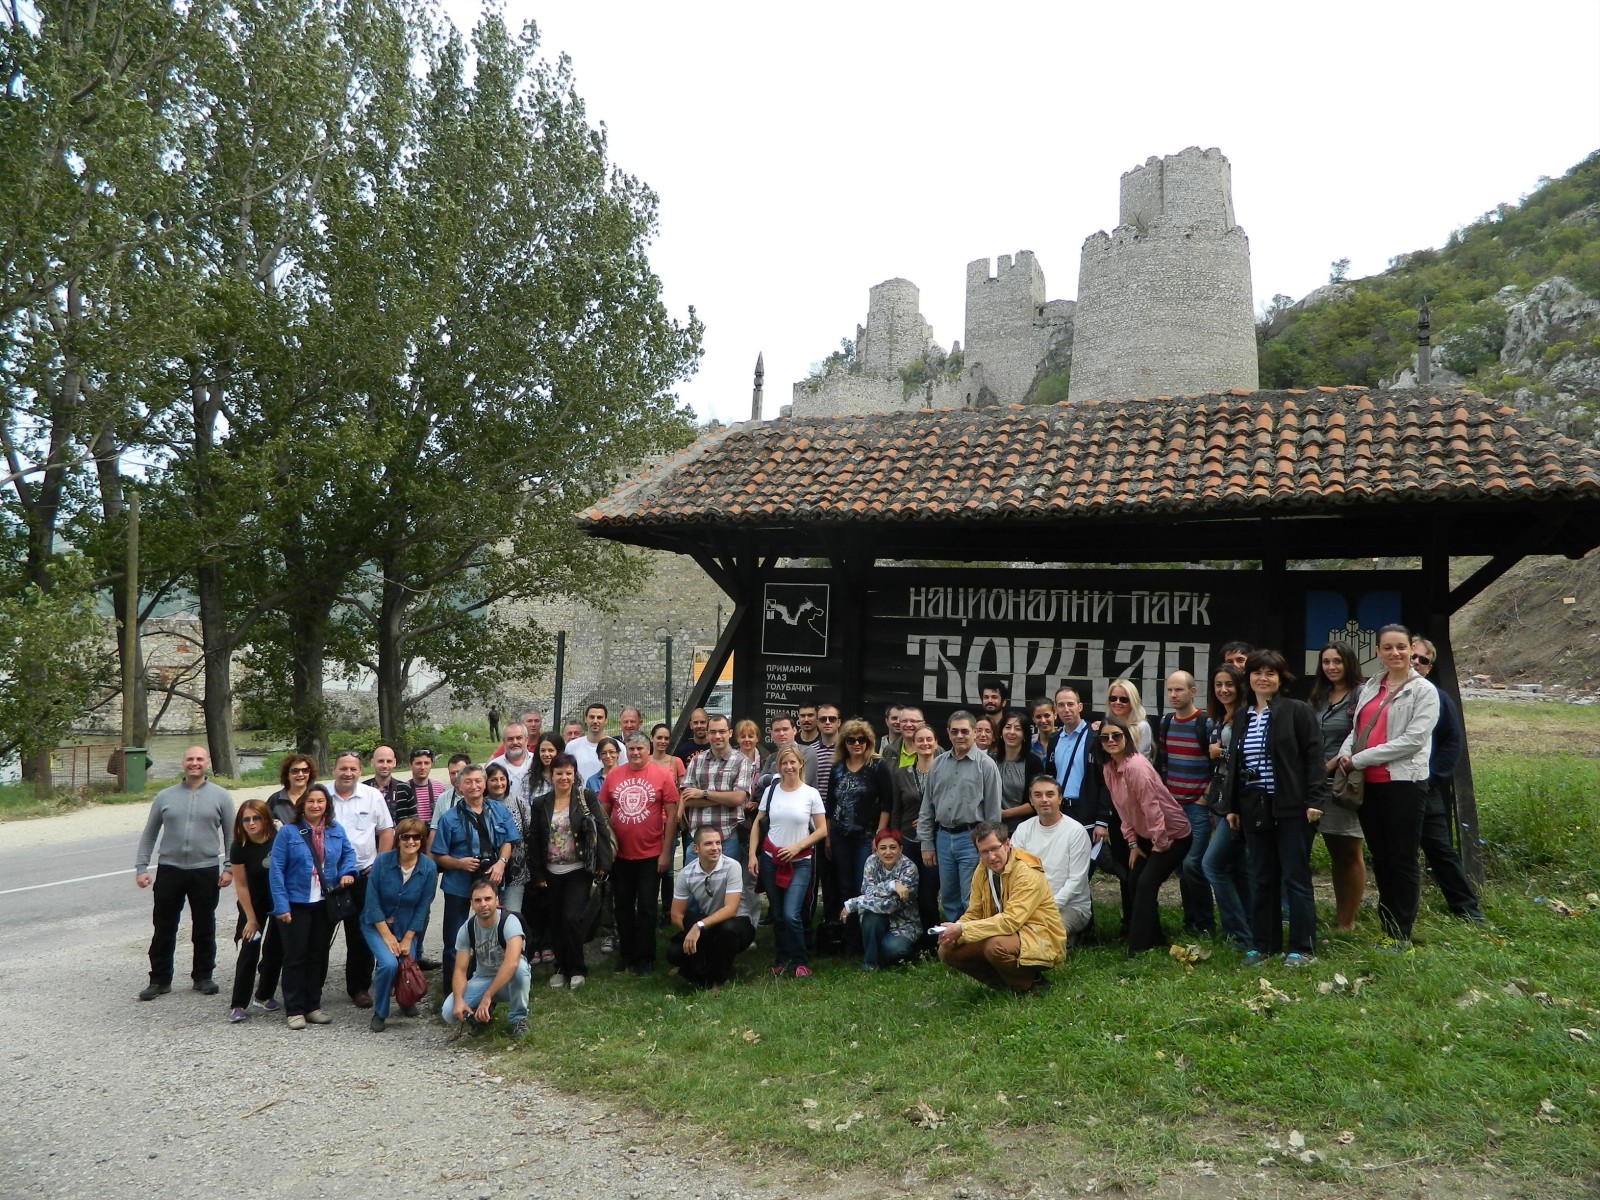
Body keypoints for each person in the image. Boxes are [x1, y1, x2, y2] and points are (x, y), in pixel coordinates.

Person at [1221, 649, 1328, 967]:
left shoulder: (1297, 710)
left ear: (1281, 679)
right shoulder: (1242, 715)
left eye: (1270, 673)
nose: (1263, 678)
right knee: (1262, 877)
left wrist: (1315, 800)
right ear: (1249, 678)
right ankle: (1263, 945)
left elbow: (1314, 757)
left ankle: (1302, 948)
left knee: (1295, 877)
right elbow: (1235, 763)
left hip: (1292, 806)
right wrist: (1232, 805)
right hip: (1254, 807)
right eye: (1257, 672)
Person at [1339, 624, 1440, 947]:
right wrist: (1346, 754)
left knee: (1402, 857)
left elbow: (1412, 741)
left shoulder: (1424, 691)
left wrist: (1361, 758)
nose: (1395, 653)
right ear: (1378, 652)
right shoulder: (1371, 687)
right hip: (1370, 785)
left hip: (1404, 784)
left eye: (1401, 647)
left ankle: (1402, 933)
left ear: (1412, 649)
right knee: (1381, 857)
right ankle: (1387, 926)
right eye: (1387, 648)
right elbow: (1356, 729)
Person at [134, 745, 235, 1000]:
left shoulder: (221, 796)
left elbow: (232, 835)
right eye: (190, 759)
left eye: (199, 759)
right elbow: (149, 834)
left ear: (207, 763)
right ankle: (159, 979)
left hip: (205, 871)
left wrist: (229, 867)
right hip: (170, 870)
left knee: (204, 925)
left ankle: (203, 976)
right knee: (164, 927)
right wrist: (141, 867)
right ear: (183, 763)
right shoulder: (165, 796)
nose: (194, 763)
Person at [936, 821, 1066, 993]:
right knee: (947, 951)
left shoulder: (1026, 871)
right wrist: (954, 933)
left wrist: (962, 928)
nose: (991, 857)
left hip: (1040, 937)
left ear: (1007, 844)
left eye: (995, 848)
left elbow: (1010, 922)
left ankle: (1032, 985)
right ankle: (1004, 986)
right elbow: (974, 913)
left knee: (995, 946)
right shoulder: (982, 870)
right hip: (1002, 933)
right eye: (984, 852)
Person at [1100, 715, 1192, 955]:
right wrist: (1132, 844)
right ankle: (1154, 937)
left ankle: (1137, 947)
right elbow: (1122, 810)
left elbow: (1152, 807)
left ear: (1126, 738)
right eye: (1105, 737)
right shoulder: (1109, 768)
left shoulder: (1135, 766)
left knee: (1145, 883)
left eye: (1116, 735)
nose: (1111, 740)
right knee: (1134, 880)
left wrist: (1160, 844)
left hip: (1173, 835)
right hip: (1147, 837)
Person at [268, 784, 357, 1029]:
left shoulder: (335, 830)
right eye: (310, 801)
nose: (316, 805)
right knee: (296, 956)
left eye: (320, 801)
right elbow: (276, 870)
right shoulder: (288, 832)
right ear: (302, 805)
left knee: (318, 954)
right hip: (296, 902)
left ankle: (313, 1005)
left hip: (324, 902)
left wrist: (348, 873)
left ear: (327, 804)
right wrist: (281, 905)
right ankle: (295, 1009)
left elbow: (349, 855)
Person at [1411, 638, 1485, 922]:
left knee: (1439, 849)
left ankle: (1467, 908)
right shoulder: (1382, 693)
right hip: (1389, 786)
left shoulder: (1439, 699)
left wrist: (1433, 778)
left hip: (1424, 786)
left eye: (1423, 660)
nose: (1416, 663)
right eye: (1413, 656)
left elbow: (1452, 742)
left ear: (1430, 668)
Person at [530, 753, 614, 989]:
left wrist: (603, 865)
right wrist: (537, 874)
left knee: (571, 918)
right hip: (551, 872)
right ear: (551, 775)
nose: (564, 777)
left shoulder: (585, 797)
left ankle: (577, 968)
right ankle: (560, 967)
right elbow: (534, 840)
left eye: (568, 773)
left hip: (579, 869)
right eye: (559, 773)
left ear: (575, 774)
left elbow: (602, 831)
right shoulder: (540, 803)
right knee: (555, 921)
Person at [598, 734, 680, 976]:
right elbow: (603, 812)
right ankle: (626, 955)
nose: (635, 753)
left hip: (651, 854)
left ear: (648, 749)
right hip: (621, 856)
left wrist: (666, 853)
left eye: (640, 748)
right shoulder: (614, 775)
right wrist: (606, 847)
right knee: (622, 907)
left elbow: (672, 816)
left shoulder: (662, 775)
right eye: (631, 748)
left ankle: (645, 958)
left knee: (646, 908)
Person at [430, 765, 518, 984]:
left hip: (491, 882)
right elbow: (439, 855)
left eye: (478, 781)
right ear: (459, 786)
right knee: (453, 941)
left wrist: (501, 863)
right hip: (458, 885)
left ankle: (495, 983)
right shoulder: (449, 819)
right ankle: (452, 992)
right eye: (468, 782)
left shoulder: (499, 810)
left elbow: (509, 840)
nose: (474, 786)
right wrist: (459, 863)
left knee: (494, 935)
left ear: (485, 783)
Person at [749, 745, 827, 978]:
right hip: (770, 859)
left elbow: (822, 830)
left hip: (800, 861)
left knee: (793, 913)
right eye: (784, 763)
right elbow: (758, 823)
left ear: (801, 764)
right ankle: (782, 958)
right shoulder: (772, 791)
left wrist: (798, 846)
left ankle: (801, 960)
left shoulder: (810, 793)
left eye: (793, 762)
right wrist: (752, 854)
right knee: (779, 914)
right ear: (779, 767)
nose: (789, 767)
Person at [916, 710, 1003, 921]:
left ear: (974, 732)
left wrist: (989, 846)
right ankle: (954, 945)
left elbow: (993, 813)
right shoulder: (938, 764)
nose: (959, 736)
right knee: (949, 897)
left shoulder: (986, 766)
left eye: (965, 731)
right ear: (948, 732)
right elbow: (927, 807)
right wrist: (926, 843)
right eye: (954, 731)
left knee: (971, 896)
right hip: (943, 838)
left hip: (972, 838)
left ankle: (973, 944)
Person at [326, 750, 394, 1008]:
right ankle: (312, 988)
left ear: (360, 771)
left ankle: (359, 988)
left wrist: (379, 864)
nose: (348, 773)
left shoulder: (372, 796)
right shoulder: (321, 795)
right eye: (343, 768)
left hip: (363, 874)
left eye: (353, 769)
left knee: (360, 935)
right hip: (328, 878)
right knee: (322, 934)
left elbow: (386, 830)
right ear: (334, 769)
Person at [1308, 643, 1368, 931]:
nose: (1331, 667)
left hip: (1342, 782)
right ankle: (1338, 915)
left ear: (1349, 663)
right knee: (1334, 850)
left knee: (1348, 851)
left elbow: (1361, 736)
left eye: (1337, 662)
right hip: (1314, 785)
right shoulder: (1319, 697)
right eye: (1326, 662)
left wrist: (1329, 766)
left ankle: (1347, 922)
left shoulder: (1361, 694)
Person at [360, 817, 438, 1031]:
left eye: (416, 837)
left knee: (408, 963)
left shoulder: (429, 867)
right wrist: (387, 937)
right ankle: (381, 1012)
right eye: (405, 836)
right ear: (398, 839)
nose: (410, 841)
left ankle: (406, 1001)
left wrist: (408, 938)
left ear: (422, 841)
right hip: (377, 925)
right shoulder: (382, 862)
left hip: (406, 927)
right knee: (389, 964)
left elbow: (423, 906)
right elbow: (372, 901)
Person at [1155, 671, 1215, 937]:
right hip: (1174, 807)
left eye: (1179, 690)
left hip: (1197, 807)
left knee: (1194, 864)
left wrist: (1205, 798)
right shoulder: (1166, 722)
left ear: (1193, 692)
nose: (1173, 695)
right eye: (1170, 690)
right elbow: (1164, 764)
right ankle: (1190, 921)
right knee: (1181, 866)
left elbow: (1218, 767)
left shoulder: (1206, 723)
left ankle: (1205, 923)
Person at [828, 718, 896, 951]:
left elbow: (888, 804)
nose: (857, 744)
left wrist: (879, 837)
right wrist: (828, 836)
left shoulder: (877, 766)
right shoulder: (837, 767)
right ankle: (850, 940)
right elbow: (829, 804)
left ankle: (866, 942)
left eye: (862, 740)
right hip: (839, 836)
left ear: (869, 742)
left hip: (866, 837)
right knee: (844, 886)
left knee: (863, 887)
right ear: (844, 743)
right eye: (851, 740)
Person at [1199, 664, 1252, 948]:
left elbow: (1250, 756)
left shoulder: (1246, 716)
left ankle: (1238, 934)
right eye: (1218, 684)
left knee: (1213, 865)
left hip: (1239, 800)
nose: (1223, 690)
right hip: (1219, 799)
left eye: (1229, 684)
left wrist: (1223, 752)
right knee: (1235, 868)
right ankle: (1250, 929)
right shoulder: (1219, 717)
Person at [667, 826, 757, 988]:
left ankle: (719, 979)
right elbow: (676, 915)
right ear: (696, 848)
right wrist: (695, 932)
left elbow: (731, 909)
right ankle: (702, 974)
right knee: (674, 952)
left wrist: (699, 927)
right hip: (708, 925)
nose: (715, 848)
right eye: (708, 844)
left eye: (718, 843)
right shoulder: (686, 874)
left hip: (737, 924)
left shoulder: (732, 866)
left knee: (727, 930)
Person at [442, 880, 531, 1039]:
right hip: (483, 978)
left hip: (510, 981)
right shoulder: (467, 928)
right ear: (471, 904)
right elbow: (460, 970)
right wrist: (458, 1000)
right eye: (477, 900)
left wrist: (487, 996)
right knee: (449, 1012)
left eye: (488, 899)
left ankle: (519, 1018)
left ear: (497, 900)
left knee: (520, 969)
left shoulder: (509, 922)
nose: (483, 904)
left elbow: (511, 963)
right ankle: (481, 1015)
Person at [1010, 777, 1093, 942]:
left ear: (1060, 798)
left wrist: (1046, 907)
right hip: (1029, 905)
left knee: (1037, 937)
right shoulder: (1023, 829)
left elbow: (1076, 881)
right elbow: (1014, 871)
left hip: (1070, 907)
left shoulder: (1075, 832)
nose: (1044, 800)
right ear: (1031, 800)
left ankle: (1069, 937)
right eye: (1038, 795)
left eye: (1050, 794)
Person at [884, 723, 942, 950]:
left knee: (929, 895)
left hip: (935, 841)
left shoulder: (944, 771)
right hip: (907, 840)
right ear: (913, 744)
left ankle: (933, 941)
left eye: (929, 739)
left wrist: (930, 820)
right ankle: (910, 938)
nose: (925, 744)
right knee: (908, 893)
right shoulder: (902, 773)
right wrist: (895, 840)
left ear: (936, 743)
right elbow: (896, 810)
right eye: (920, 740)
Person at [226, 799, 281, 1021]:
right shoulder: (239, 845)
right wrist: (250, 918)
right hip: (252, 903)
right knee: (249, 948)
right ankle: (239, 1004)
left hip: (278, 901)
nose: (251, 823)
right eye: (246, 819)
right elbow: (241, 884)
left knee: (276, 949)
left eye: (256, 817)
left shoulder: (278, 839)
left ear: (265, 818)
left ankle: (264, 995)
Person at [681, 714, 756, 875]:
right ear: (707, 734)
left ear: (729, 733)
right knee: (693, 893)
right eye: (713, 732)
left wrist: (703, 793)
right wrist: (725, 798)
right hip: (698, 840)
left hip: (727, 837)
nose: (717, 736)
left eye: (722, 731)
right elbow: (686, 800)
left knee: (727, 891)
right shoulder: (696, 761)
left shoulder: (742, 761)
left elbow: (738, 798)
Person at [842, 828, 920, 969]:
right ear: (876, 849)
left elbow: (892, 904)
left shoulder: (910, 869)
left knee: (892, 950)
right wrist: (892, 885)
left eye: (893, 847)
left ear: (901, 849)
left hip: (903, 922)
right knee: (870, 916)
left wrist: (853, 903)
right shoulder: (871, 862)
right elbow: (868, 891)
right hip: (878, 917)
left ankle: (905, 951)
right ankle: (869, 965)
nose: (888, 852)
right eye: (882, 848)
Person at [487, 761, 539, 962]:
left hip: (516, 869)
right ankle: (494, 960)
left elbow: (528, 833)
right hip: (490, 870)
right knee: (491, 916)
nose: (499, 783)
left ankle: (516, 960)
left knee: (513, 915)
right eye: (493, 779)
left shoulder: (518, 802)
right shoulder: (481, 806)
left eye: (502, 779)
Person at [993, 711, 1045, 833]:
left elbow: (1036, 801)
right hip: (993, 830)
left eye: (1017, 729)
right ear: (1001, 732)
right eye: (1007, 727)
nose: (1012, 732)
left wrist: (1004, 814)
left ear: (1025, 735)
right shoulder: (991, 760)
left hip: (1023, 830)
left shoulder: (1033, 762)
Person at [364, 745, 416, 823]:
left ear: (394, 763)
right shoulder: (363, 789)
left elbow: (413, 822)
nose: (385, 765)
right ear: (372, 763)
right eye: (381, 761)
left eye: (389, 761)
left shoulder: (405, 790)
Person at [1105, 679, 1153, 759]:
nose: (1117, 702)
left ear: (1133, 702)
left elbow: (1132, 760)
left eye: (1123, 700)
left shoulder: (1142, 726)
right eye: (1113, 698)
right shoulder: (1108, 725)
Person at [267, 754, 317, 827]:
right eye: (295, 771)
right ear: (287, 774)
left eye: (305, 770)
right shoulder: (275, 800)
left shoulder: (317, 797)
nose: (300, 774)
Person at [489, 722, 535, 796]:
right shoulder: (494, 765)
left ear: (526, 740)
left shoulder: (536, 762)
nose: (515, 742)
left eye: (519, 738)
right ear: (504, 742)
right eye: (510, 739)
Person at [569, 701, 609, 782]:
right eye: (591, 717)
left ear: (606, 720)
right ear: (585, 719)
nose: (595, 721)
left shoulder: (617, 747)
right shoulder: (572, 746)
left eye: (599, 717)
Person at [1029, 698, 1056, 763]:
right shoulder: (1028, 744)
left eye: (1047, 716)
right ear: (1033, 719)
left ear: (1055, 715)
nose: (1043, 720)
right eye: (1038, 717)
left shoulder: (1065, 743)